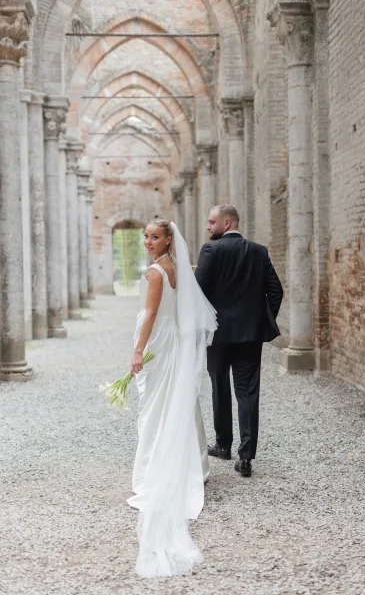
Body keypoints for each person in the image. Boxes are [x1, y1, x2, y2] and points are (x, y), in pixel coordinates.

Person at [128, 219, 217, 578]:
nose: (148, 241)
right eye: (146, 236)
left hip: (161, 343)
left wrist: (137, 350)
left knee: (156, 407)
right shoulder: (178, 266)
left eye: (155, 237)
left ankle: (151, 473)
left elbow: (151, 313)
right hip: (176, 340)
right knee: (180, 401)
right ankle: (198, 464)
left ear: (168, 240)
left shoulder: (155, 272)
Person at [195, 204, 283, 477]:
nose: (208, 226)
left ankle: (223, 445)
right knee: (247, 392)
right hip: (249, 336)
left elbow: (197, 293)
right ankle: (246, 457)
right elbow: (276, 291)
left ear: (228, 222)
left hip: (217, 334)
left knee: (219, 387)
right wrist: (258, 320)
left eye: (212, 222)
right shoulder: (259, 251)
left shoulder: (210, 250)